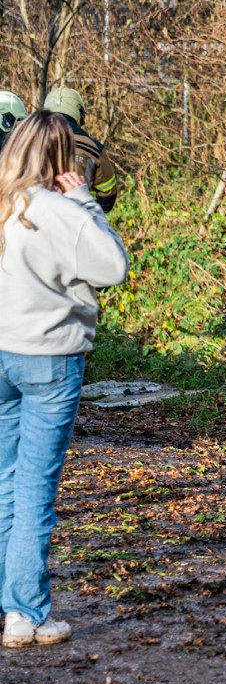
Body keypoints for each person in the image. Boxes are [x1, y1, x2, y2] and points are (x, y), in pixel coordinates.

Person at [0, 112, 129, 647]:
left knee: (4, 483)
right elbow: (113, 268)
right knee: (34, 488)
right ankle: (25, 615)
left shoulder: (5, 201)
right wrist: (84, 203)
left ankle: (8, 607)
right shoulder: (61, 210)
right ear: (62, 157)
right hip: (50, 360)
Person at [41, 88, 118, 213]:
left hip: (37, 225)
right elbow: (108, 197)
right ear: (78, 112)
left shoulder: (30, 144)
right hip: (79, 223)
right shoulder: (94, 149)